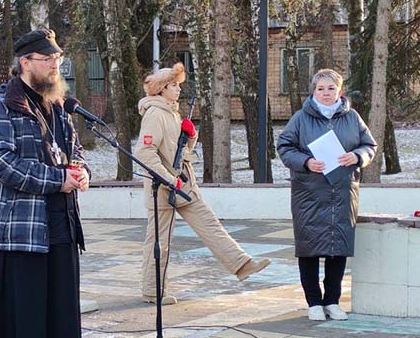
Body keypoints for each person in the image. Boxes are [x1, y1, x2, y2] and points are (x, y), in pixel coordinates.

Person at [0, 28, 88, 338]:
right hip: (23, 231)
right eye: (48, 59)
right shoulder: (0, 106)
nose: (55, 65)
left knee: (58, 315)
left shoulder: (58, 106)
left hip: (61, 226)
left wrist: (81, 172)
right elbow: (0, 164)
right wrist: (56, 180)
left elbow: (74, 151)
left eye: (58, 59)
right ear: (25, 62)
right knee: (24, 321)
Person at [134, 63, 271, 305]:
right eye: (174, 86)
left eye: (178, 85)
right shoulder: (155, 114)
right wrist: (168, 179)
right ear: (162, 88)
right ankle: (152, 290)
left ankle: (242, 264)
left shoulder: (172, 112)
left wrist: (190, 135)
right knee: (159, 241)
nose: (178, 90)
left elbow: (182, 151)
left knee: (210, 225)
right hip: (163, 189)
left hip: (184, 184)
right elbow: (145, 153)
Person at [277, 68, 376, 321]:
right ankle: (313, 302)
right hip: (309, 193)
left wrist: (357, 156)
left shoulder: (352, 117)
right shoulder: (301, 118)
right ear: (314, 91)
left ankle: (332, 301)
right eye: (321, 88)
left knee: (337, 248)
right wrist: (306, 162)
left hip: (342, 192)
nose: (326, 93)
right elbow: (285, 147)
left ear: (339, 91)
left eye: (331, 88)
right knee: (309, 249)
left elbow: (369, 146)